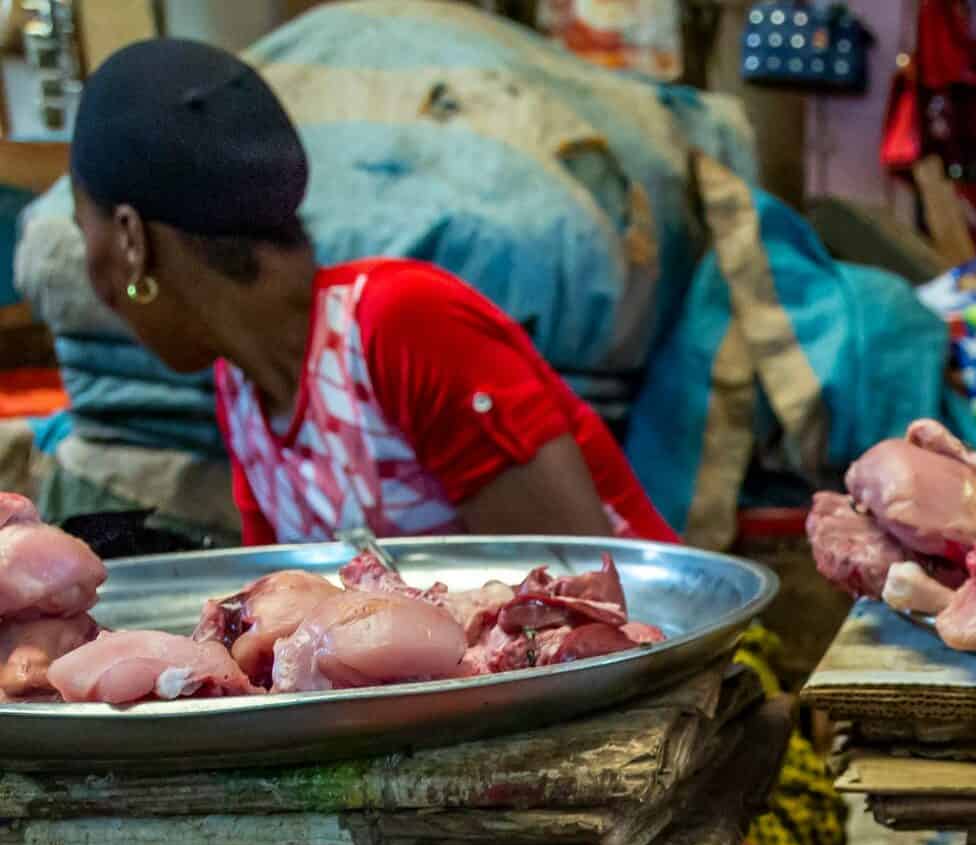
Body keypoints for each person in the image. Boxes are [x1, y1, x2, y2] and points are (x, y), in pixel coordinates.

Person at [67, 38, 675, 547]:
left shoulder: (402, 323)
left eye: (80, 227)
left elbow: (577, 605)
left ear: (130, 240)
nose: (91, 274)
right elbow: (282, 610)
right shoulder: (244, 391)